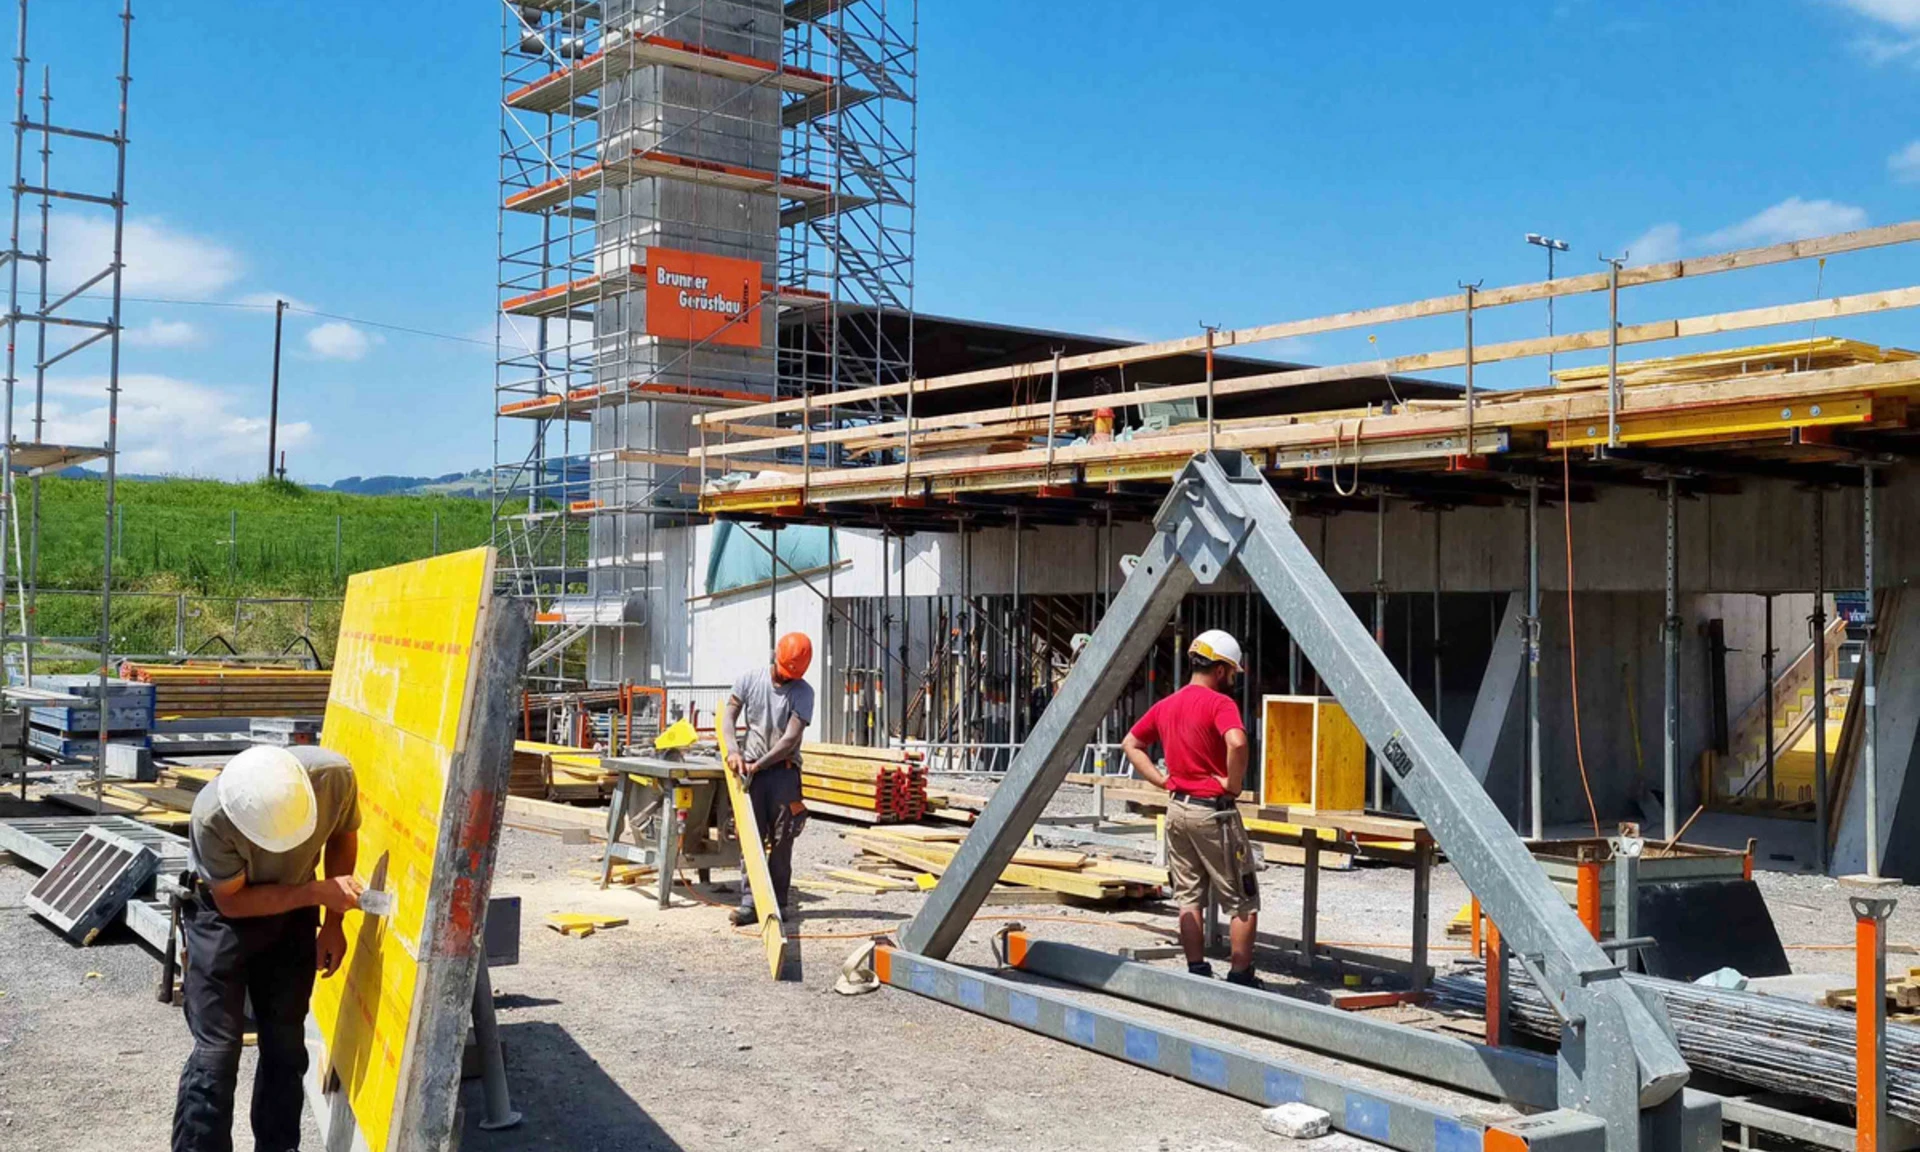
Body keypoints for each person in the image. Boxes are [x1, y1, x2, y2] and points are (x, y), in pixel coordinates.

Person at [174, 744, 366, 1152]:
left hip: (294, 910)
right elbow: (234, 901)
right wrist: (315, 891)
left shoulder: (332, 777)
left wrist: (333, 923)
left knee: (285, 1046)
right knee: (216, 1055)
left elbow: (342, 839)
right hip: (222, 916)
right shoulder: (212, 816)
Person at [1121, 629, 1260, 987]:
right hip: (1212, 812)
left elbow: (1131, 743)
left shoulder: (1168, 704)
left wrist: (1161, 780)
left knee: (1188, 897)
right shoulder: (1219, 703)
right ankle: (1241, 976)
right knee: (1242, 898)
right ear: (1220, 670)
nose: (1233, 680)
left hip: (1177, 810)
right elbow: (1237, 741)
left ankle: (1197, 971)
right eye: (1232, 673)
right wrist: (1233, 783)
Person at [724, 631, 817, 927]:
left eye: (793, 675)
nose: (788, 678)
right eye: (784, 672)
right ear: (774, 657)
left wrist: (759, 765)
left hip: (783, 774)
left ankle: (777, 902)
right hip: (750, 771)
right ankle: (750, 903)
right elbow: (728, 717)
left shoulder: (803, 692)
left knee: (782, 839)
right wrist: (732, 751)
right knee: (750, 838)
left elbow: (790, 739)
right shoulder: (750, 679)